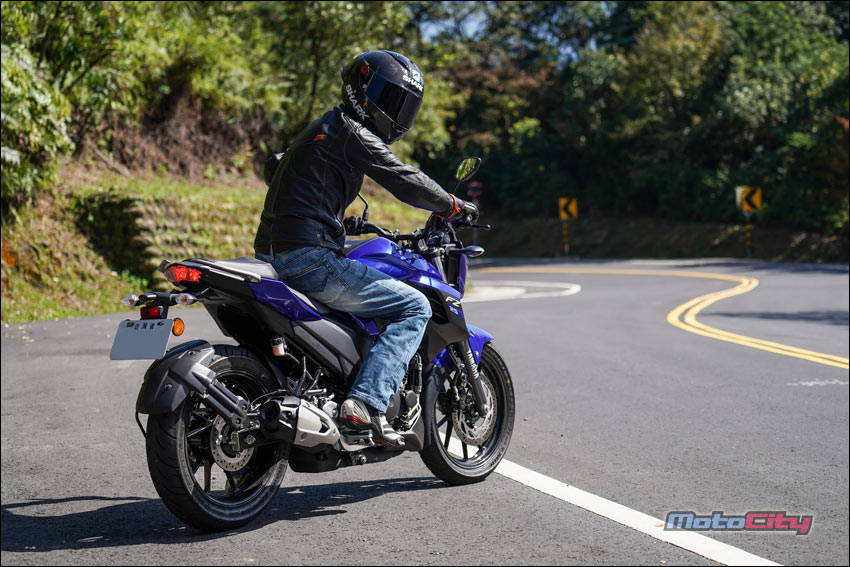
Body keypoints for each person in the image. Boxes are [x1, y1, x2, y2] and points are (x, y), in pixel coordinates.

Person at [254, 50, 478, 448]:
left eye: (403, 105)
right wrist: (452, 204)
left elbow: (283, 172)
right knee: (414, 307)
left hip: (273, 252)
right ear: (362, 88)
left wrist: (336, 218)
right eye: (390, 99)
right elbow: (402, 177)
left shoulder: (321, 128)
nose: (396, 113)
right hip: (309, 258)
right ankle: (366, 402)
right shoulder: (350, 131)